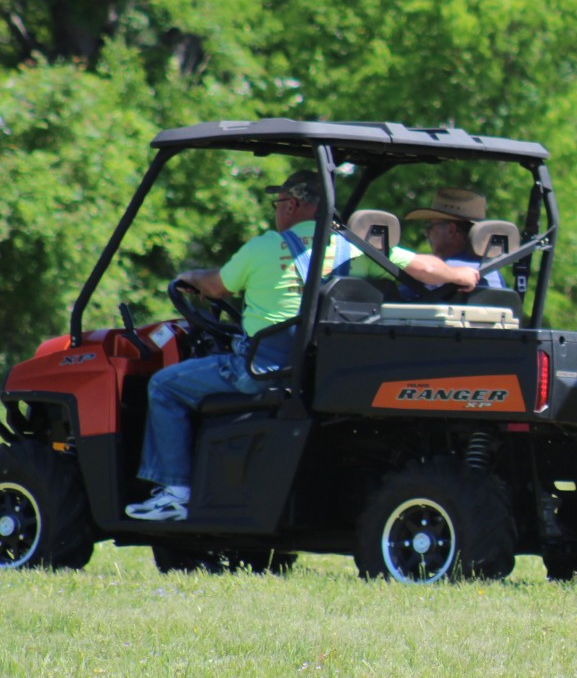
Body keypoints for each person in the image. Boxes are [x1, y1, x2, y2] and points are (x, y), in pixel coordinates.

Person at [126, 171, 480, 522]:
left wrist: (187, 277)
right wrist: (460, 275)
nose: (277, 210)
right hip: (321, 372)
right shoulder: (357, 248)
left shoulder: (264, 247)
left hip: (261, 371)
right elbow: (424, 267)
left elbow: (217, 286)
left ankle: (175, 494)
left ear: (292, 205)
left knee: (164, 386)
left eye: (278, 203)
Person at [399, 187, 508, 297]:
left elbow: (400, 299)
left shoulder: (440, 271)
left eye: (430, 227)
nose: (427, 233)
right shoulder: (493, 273)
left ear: (451, 230)